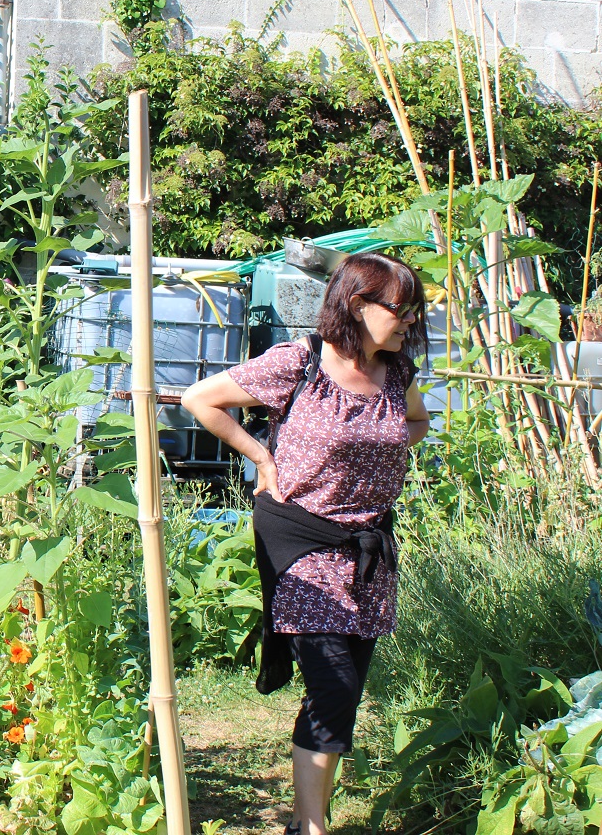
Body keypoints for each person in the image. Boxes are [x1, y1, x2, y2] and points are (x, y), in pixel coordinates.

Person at [180, 252, 431, 835]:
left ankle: (306, 819)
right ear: (357, 303)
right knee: (332, 679)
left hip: (366, 545)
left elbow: (415, 422)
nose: (411, 322)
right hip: (300, 535)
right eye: (402, 309)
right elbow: (200, 399)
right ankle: (311, 825)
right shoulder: (300, 363)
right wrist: (262, 456)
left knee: (343, 691)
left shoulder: (398, 374)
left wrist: (385, 454)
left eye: (417, 310)